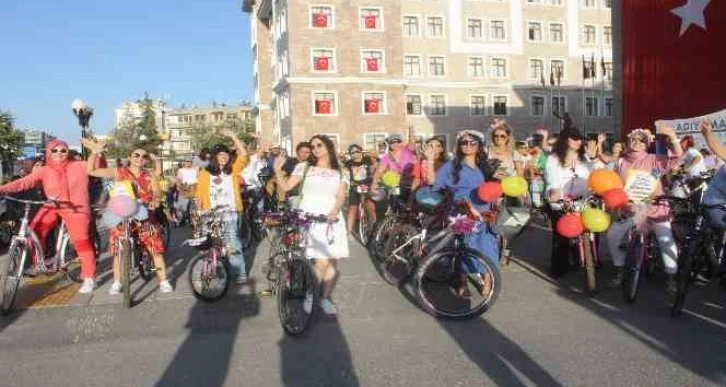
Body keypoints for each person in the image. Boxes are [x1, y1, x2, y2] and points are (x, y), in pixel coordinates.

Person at [0, 140, 98, 293]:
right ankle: (40, 263)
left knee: (81, 242)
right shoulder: (45, 170)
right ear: (48, 152)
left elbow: (95, 168)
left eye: (63, 150)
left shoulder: (79, 165)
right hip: (52, 205)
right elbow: (24, 182)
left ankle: (89, 277)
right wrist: (2, 189)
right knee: (35, 230)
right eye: (55, 150)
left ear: (68, 152)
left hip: (76, 208)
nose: (59, 153)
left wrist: (95, 152)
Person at [83, 140, 173, 294]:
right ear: (129, 157)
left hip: (144, 213)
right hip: (122, 213)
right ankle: (117, 282)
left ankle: (163, 280)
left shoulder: (150, 175)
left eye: (144, 156)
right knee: (118, 249)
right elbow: (91, 170)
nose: (140, 158)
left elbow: (157, 192)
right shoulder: (119, 172)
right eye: (136, 155)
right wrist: (94, 152)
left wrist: (155, 200)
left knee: (155, 247)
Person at [274, 134, 349, 315]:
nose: (315, 149)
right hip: (311, 218)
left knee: (332, 262)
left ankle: (324, 298)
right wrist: (277, 169)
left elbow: (341, 195)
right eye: (312, 146)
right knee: (321, 261)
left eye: (319, 145)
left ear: (328, 147)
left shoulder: (341, 171)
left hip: (332, 219)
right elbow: (285, 186)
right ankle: (310, 294)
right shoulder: (304, 167)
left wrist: (334, 210)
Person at [602, 127, 683, 291]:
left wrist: (672, 137)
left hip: (655, 208)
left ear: (647, 144)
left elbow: (678, 156)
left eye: (641, 140)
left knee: (665, 240)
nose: (637, 142)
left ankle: (671, 277)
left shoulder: (654, 159)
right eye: (634, 138)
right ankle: (620, 268)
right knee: (612, 236)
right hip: (630, 209)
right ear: (628, 141)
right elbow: (613, 184)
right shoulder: (621, 162)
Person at [430, 130, 500, 298]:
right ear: (459, 146)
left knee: (488, 247)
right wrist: (430, 159)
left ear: (479, 146)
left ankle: (488, 280)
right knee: (464, 247)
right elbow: (434, 183)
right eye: (464, 142)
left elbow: (494, 188)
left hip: (485, 213)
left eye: (472, 142)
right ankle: (462, 281)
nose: (468, 145)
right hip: (462, 211)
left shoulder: (486, 166)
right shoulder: (452, 166)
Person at [196, 129, 250, 284]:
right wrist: (199, 213)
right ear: (214, 157)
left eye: (226, 154)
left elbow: (244, 155)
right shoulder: (205, 173)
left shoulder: (232, 170)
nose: (224, 157)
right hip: (210, 213)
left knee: (232, 243)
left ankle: (240, 272)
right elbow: (200, 194)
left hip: (230, 212)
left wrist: (233, 136)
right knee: (212, 244)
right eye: (220, 154)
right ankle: (216, 267)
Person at [544, 127, 596, 277]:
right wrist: (555, 191)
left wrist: (593, 161)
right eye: (573, 138)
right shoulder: (554, 158)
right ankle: (559, 268)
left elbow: (592, 175)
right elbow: (552, 177)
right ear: (565, 139)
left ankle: (589, 260)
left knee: (587, 229)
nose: (577, 141)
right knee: (561, 234)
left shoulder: (583, 158)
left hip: (582, 199)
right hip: (561, 201)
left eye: (579, 138)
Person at [371, 128, 417, 198]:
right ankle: (393, 204)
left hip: (411, 184)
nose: (395, 144)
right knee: (394, 200)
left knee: (412, 204)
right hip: (395, 185)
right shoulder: (386, 157)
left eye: (398, 141)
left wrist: (411, 129)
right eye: (392, 142)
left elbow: (412, 141)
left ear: (401, 142)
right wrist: (374, 183)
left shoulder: (407, 150)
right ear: (389, 144)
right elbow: (379, 172)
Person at [344, 144, 376, 235]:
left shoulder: (367, 160)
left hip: (366, 184)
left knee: (369, 204)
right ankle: (348, 230)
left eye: (357, 151)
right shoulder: (348, 163)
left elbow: (376, 165)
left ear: (361, 151)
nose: (355, 154)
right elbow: (345, 174)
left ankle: (373, 224)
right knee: (352, 208)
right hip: (354, 186)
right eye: (352, 152)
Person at [280, 142, 313, 208]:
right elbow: (281, 176)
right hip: (294, 194)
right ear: (297, 152)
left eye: (307, 152)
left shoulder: (311, 164)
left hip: (309, 195)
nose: (304, 154)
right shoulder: (290, 162)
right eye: (302, 152)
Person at [175, 158, 199, 225]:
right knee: (182, 207)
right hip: (185, 188)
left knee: (194, 207)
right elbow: (179, 180)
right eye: (187, 161)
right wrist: (179, 188)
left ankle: (194, 221)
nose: (188, 163)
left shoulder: (195, 169)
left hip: (194, 188)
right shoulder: (181, 170)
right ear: (184, 162)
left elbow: (198, 177)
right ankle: (180, 220)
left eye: (190, 161)